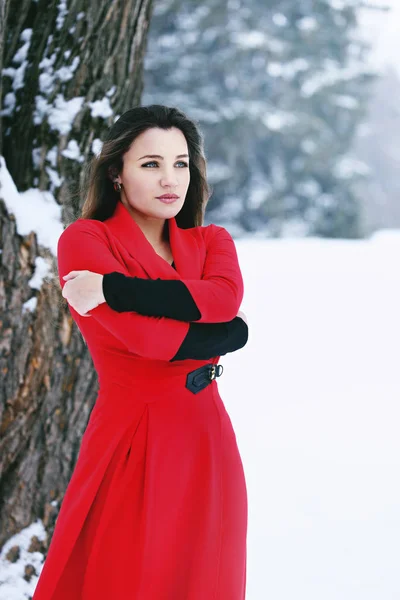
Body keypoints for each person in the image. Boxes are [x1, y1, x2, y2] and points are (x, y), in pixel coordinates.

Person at [32, 105, 249, 599]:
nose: (170, 178)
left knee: (204, 577)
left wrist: (115, 289)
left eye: (181, 163)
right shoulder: (86, 238)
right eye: (150, 164)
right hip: (135, 435)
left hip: (206, 435)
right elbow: (150, 342)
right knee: (130, 575)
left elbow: (226, 304)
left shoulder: (211, 239)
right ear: (116, 173)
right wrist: (224, 333)